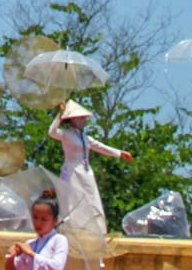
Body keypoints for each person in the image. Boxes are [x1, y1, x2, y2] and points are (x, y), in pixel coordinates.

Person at [50, 100, 133, 239]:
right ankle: (71, 231)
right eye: (82, 118)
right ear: (74, 119)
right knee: (72, 201)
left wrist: (119, 153)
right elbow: (52, 132)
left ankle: (96, 231)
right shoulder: (66, 134)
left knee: (91, 198)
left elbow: (100, 147)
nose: (84, 121)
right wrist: (60, 115)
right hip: (72, 171)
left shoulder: (85, 137)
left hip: (86, 171)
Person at [4, 195, 72, 270]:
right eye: (35, 218)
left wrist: (32, 254)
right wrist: (11, 257)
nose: (38, 223)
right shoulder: (31, 243)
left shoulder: (59, 240)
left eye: (44, 219)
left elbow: (57, 267)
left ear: (55, 221)